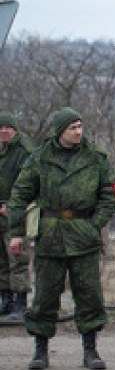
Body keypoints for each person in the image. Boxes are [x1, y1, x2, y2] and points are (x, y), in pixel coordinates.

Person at [7, 107, 115, 370]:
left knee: (89, 295)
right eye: (72, 127)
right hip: (51, 235)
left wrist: (95, 225)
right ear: (60, 131)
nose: (78, 132)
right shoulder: (39, 159)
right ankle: (40, 352)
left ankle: (90, 351)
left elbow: (109, 195)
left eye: (80, 126)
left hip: (84, 235)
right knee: (45, 296)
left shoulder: (96, 158)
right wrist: (16, 233)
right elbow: (20, 195)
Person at [0, 111, 34, 321]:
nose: (4, 131)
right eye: (1, 128)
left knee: (17, 256)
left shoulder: (25, 151)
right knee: (2, 259)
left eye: (8, 127)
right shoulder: (3, 151)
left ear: (15, 129)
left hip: (16, 212)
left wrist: (11, 205)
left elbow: (28, 184)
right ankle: (6, 300)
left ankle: (21, 305)